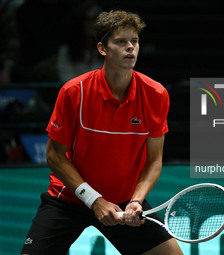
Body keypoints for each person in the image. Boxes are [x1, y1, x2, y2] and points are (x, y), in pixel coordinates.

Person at [21, 9, 183, 255]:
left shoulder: (155, 94)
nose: (130, 48)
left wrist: (136, 201)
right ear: (102, 49)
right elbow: (54, 156)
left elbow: (154, 160)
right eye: (121, 42)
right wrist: (94, 200)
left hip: (123, 203)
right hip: (70, 199)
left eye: (134, 41)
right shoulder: (75, 92)